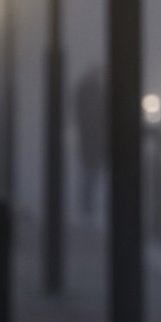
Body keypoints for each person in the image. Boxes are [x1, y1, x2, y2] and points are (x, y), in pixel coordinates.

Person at [74, 68, 106, 220]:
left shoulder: (86, 91)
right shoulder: (93, 93)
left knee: (90, 173)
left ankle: (88, 204)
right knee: (91, 173)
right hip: (93, 140)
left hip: (90, 140)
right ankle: (88, 205)